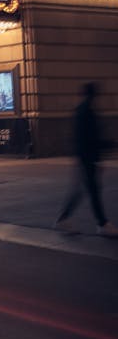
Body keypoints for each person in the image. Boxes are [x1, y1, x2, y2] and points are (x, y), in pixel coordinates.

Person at [54, 82, 118, 237]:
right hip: (87, 158)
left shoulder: (82, 110)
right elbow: (90, 138)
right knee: (91, 191)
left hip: (85, 157)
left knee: (86, 190)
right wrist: (105, 149)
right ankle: (101, 223)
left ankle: (68, 219)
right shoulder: (87, 112)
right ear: (92, 95)